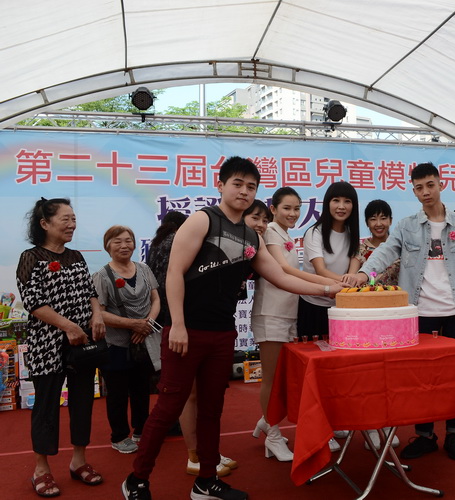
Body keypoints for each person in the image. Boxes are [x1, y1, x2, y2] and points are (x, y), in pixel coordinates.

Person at [122, 157, 343, 500]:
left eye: (251, 186)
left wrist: (330, 289)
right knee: (168, 408)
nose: (244, 191)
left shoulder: (250, 234)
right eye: (237, 184)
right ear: (221, 185)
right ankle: (136, 480)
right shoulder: (203, 220)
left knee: (212, 410)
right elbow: (174, 272)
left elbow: (280, 276)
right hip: (185, 332)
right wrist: (177, 324)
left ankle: (206, 482)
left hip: (223, 334)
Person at [345, 162, 455, 461]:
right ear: (413, 190)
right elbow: (384, 252)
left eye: (430, 185)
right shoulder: (407, 226)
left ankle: (454, 434)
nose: (425, 192)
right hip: (419, 314)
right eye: (419, 187)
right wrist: (364, 274)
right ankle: (425, 436)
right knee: (421, 380)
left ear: (441, 184)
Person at [16, 198, 106, 497]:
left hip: (82, 344)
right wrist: (68, 326)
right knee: (45, 407)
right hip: (48, 345)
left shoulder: (76, 256)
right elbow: (34, 303)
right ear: (45, 223)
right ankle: (41, 470)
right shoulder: (31, 257)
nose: (72, 224)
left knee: (83, 402)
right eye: (65, 219)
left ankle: (78, 461)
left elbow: (91, 293)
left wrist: (96, 315)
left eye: (74, 218)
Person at [251, 187, 340, 461]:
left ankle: (267, 421)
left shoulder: (286, 235)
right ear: (273, 209)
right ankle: (273, 435)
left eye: (297, 208)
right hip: (271, 313)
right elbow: (285, 271)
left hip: (289, 313)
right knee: (270, 379)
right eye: (286, 208)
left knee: (282, 378)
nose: (293, 213)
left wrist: (331, 284)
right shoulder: (269, 232)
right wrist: (328, 285)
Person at [146, 212, 237, 478]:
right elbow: (177, 279)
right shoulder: (179, 241)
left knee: (197, 398)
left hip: (182, 322)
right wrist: (179, 323)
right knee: (186, 397)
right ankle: (194, 455)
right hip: (184, 323)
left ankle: (203, 456)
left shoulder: (158, 245)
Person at [92, 226, 160, 455]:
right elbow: (99, 313)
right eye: (117, 241)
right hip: (116, 345)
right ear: (108, 246)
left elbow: (156, 299)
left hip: (143, 341)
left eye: (128, 240)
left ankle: (141, 430)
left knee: (142, 389)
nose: (124, 245)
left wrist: (147, 323)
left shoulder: (144, 269)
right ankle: (119, 436)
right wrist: (133, 325)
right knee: (118, 393)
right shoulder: (102, 276)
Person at [353, 199, 401, 450]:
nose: (379, 223)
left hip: (395, 317)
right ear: (367, 222)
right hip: (367, 319)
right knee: (369, 373)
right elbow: (354, 277)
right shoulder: (360, 248)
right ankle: (371, 426)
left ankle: (389, 423)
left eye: (383, 218)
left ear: (391, 220)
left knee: (392, 374)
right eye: (373, 218)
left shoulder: (401, 245)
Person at [297, 180, 360, 338]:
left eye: (347, 201)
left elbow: (354, 264)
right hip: (313, 305)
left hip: (341, 305)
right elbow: (321, 270)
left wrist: (351, 280)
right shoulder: (314, 233)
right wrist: (347, 284)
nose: (341, 206)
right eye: (336, 200)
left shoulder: (352, 234)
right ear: (327, 203)